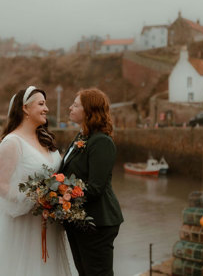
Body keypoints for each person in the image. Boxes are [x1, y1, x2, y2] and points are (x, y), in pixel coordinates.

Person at [0, 86, 72, 276]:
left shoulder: (46, 140)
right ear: (25, 108)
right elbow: (0, 186)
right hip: (21, 224)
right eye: (41, 104)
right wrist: (33, 198)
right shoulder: (12, 142)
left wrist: (58, 196)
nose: (47, 109)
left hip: (46, 223)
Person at [59, 88, 124, 276]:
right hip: (79, 221)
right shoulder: (82, 137)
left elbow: (95, 188)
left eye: (76, 105)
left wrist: (62, 198)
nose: (70, 107)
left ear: (89, 111)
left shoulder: (101, 142)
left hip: (98, 222)